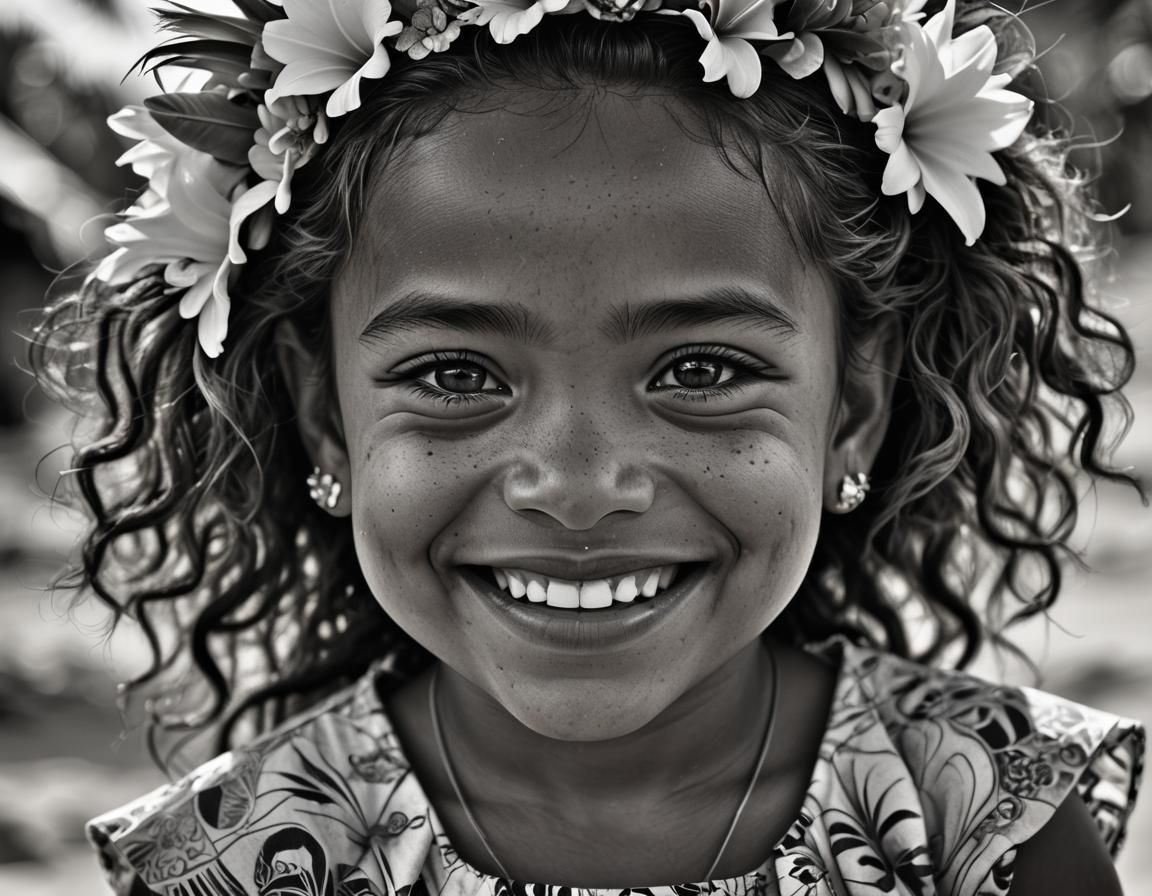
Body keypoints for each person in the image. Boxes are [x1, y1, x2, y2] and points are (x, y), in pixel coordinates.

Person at [27, 0, 1146, 893]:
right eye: (455, 375)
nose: (574, 485)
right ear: (327, 419)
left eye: (700, 371)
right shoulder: (239, 860)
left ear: (852, 406)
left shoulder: (992, 818)